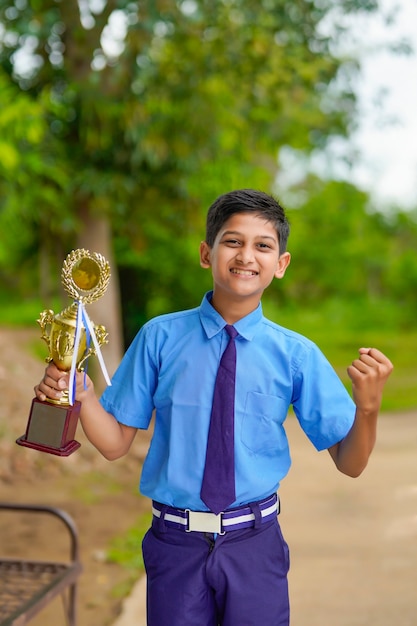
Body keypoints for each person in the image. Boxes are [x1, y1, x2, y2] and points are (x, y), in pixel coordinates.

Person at [35, 189, 393, 626]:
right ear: (207, 253)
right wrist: (84, 394)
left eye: (262, 245)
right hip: (175, 543)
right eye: (232, 241)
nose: (246, 255)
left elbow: (351, 464)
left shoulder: (295, 355)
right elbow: (114, 444)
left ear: (280, 264)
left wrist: (368, 409)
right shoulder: (159, 338)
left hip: (254, 545)